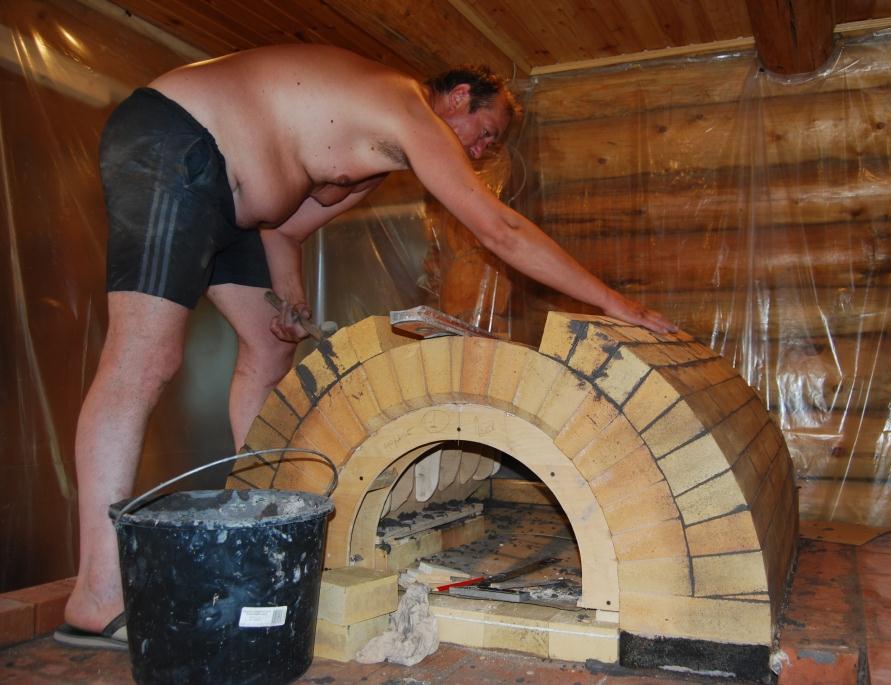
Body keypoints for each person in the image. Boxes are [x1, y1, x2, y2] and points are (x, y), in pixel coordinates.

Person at [56, 43, 676, 649]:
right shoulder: (407, 107)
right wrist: (614, 302)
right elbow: (500, 229)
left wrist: (291, 300)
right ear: (459, 97)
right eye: (485, 132)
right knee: (145, 359)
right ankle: (97, 593)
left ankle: (259, 525)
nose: (481, 152)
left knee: (270, 350)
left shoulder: (372, 160)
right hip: (178, 145)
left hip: (234, 209)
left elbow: (283, 230)